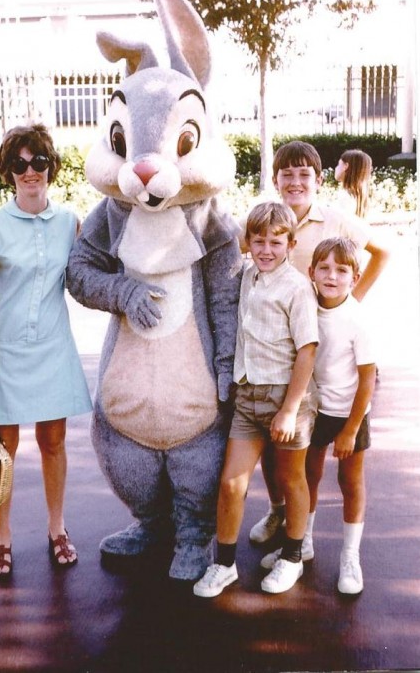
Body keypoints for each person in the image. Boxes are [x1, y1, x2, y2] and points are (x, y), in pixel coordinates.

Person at [248, 140, 389, 546]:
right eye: (286, 175)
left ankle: (302, 532)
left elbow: (382, 252)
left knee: (310, 448)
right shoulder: (268, 219)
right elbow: (242, 249)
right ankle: (279, 512)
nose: (295, 182)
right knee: (275, 440)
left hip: (322, 347)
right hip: (278, 349)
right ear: (276, 181)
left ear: (319, 179)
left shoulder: (333, 218)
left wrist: (350, 301)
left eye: (303, 174)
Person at [0, 123, 92, 579]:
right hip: (5, 353)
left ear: (50, 167)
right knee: (4, 448)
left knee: (53, 442)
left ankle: (57, 529)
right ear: (9, 171)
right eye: (20, 164)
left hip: (53, 347)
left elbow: (84, 281)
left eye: (38, 161)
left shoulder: (69, 222)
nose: (30, 171)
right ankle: (1, 538)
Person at [193, 201, 319, 597]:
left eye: (276, 243)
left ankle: (293, 556)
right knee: (231, 484)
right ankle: (224, 564)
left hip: (285, 397)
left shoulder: (297, 287)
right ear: (248, 242)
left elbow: (308, 350)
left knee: (289, 478)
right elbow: (223, 231)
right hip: (247, 398)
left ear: (290, 244)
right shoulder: (247, 275)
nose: (266, 249)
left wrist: (289, 409)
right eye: (259, 241)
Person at [261, 237, 376, 595]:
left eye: (341, 270)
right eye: (323, 268)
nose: (331, 275)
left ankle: (349, 556)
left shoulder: (357, 319)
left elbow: (368, 380)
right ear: (310, 272)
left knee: (350, 482)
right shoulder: (306, 305)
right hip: (315, 408)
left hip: (348, 412)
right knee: (308, 475)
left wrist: (351, 430)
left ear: (354, 278)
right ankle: (303, 541)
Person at [334, 149, 373, 219]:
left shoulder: (345, 197)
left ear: (345, 166)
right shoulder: (359, 197)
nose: (336, 168)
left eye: (338, 164)